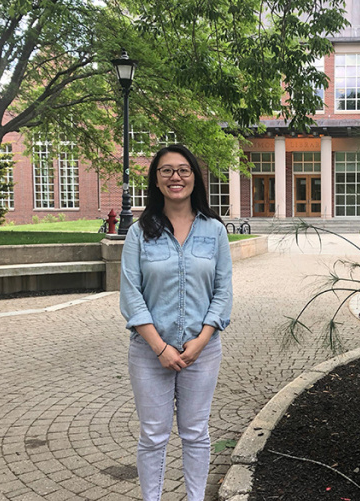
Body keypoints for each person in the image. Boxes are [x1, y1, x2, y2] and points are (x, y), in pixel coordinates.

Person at [120, 144, 233, 501]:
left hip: (202, 351)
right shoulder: (140, 233)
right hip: (149, 353)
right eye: (166, 170)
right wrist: (160, 347)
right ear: (156, 180)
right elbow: (130, 294)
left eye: (183, 170)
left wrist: (200, 341)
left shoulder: (214, 231)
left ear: (194, 178)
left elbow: (223, 292)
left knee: (196, 432)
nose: (175, 177)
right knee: (153, 435)